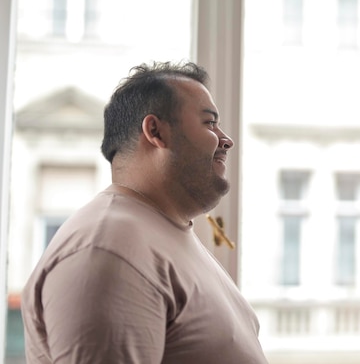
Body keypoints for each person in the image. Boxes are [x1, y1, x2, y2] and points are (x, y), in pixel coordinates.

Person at [21, 61, 268, 363]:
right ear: (155, 131)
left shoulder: (163, 234)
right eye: (209, 123)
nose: (226, 140)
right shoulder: (109, 246)